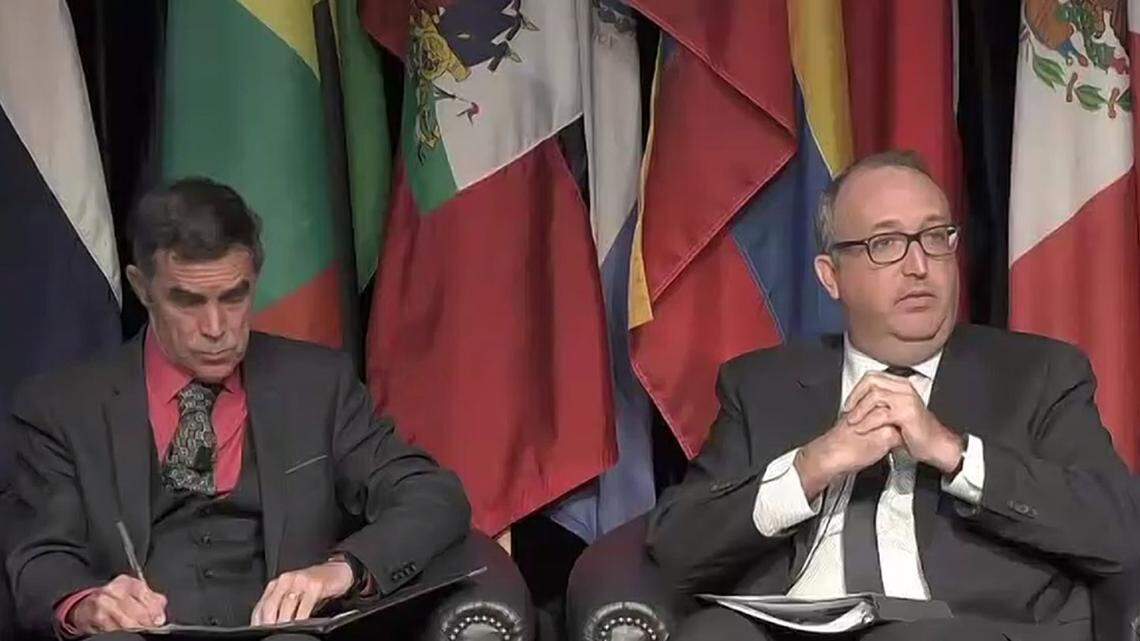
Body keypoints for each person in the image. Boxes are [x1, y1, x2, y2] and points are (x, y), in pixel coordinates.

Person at [646, 151, 1139, 641]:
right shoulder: (761, 386)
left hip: (950, 629)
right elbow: (679, 548)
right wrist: (811, 467)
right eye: (885, 243)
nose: (919, 265)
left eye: (935, 237)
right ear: (830, 276)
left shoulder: (1039, 374)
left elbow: (1120, 530)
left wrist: (956, 454)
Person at [5, 178, 472, 640]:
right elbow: (40, 556)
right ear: (142, 288)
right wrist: (88, 604)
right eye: (188, 301)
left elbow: (432, 495)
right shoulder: (61, 408)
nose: (215, 328)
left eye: (233, 297)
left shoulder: (316, 385)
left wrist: (341, 570)